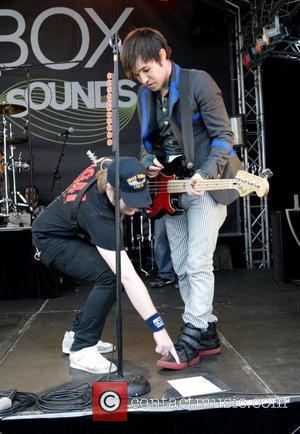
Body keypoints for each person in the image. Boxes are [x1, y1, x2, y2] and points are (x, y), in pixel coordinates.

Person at [121, 28, 242, 370]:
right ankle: (207, 333)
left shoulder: (197, 82)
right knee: (181, 265)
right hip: (169, 191)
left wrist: (204, 173)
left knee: (198, 262)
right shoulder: (145, 97)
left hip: (206, 185)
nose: (143, 79)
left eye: (147, 70)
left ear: (163, 55)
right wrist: (149, 163)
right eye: (136, 75)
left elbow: (223, 138)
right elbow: (145, 148)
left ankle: (191, 334)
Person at [32, 156, 178, 374]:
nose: (135, 208)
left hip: (72, 231)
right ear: (110, 189)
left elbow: (119, 163)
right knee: (113, 277)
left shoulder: (109, 167)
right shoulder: (99, 216)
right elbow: (129, 278)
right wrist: (159, 330)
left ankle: (75, 336)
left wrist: (146, 162)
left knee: (112, 275)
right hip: (50, 241)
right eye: (129, 199)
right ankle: (82, 349)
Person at [149, 216, 177, 288]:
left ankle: (183, 276)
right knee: (160, 239)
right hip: (162, 208)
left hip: (181, 206)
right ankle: (166, 275)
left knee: (181, 238)